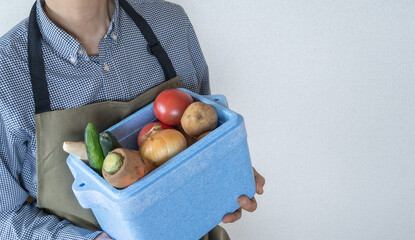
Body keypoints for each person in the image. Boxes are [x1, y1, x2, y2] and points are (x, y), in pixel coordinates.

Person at [0, 0, 266, 239]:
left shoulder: (170, 23)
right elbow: (4, 218)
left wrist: (226, 176)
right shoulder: (7, 72)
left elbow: (204, 137)